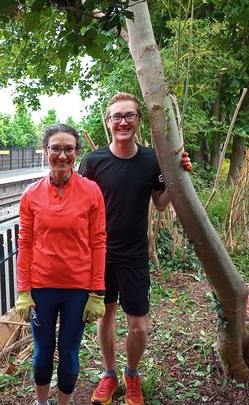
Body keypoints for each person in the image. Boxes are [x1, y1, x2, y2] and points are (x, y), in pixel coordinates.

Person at [79, 92, 191, 405]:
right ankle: (110, 374)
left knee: (138, 327)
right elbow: (78, 205)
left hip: (134, 254)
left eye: (129, 115)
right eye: (117, 116)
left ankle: (132, 374)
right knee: (106, 316)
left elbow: (160, 201)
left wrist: (177, 176)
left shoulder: (151, 159)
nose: (123, 121)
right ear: (109, 122)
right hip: (100, 254)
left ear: (138, 121)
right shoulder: (93, 162)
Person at [15, 124, 107, 405]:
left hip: (77, 290)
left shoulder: (91, 191)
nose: (62, 155)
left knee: (68, 351)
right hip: (41, 288)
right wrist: (23, 289)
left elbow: (98, 242)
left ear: (77, 152)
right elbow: (25, 243)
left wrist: (96, 292)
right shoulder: (31, 194)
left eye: (68, 148)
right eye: (56, 148)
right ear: (45, 152)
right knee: (43, 352)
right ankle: (42, 402)